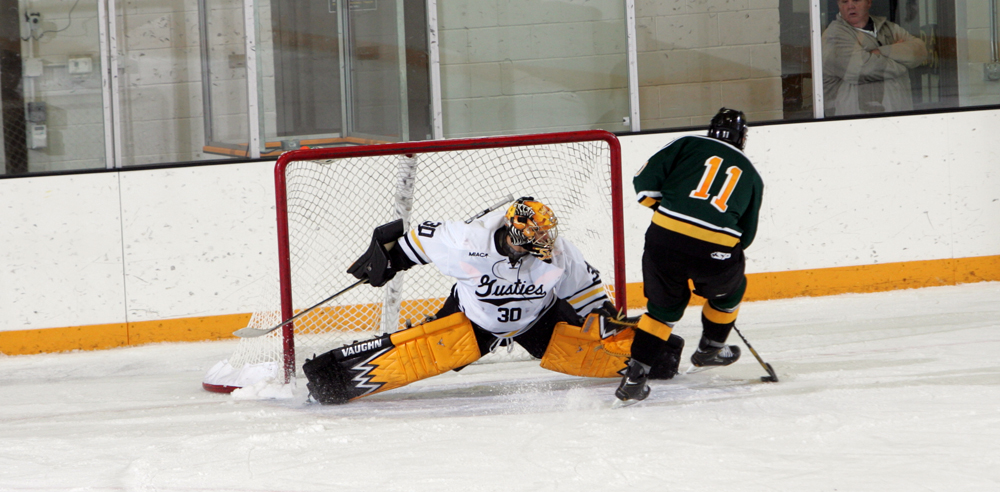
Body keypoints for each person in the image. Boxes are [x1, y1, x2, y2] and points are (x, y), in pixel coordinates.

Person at [303, 197, 684, 404]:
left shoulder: (559, 253)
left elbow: (588, 296)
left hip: (540, 318)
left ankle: (658, 355)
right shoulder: (466, 242)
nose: (548, 245)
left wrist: (604, 320)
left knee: (597, 348)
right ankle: (332, 376)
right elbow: (418, 239)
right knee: (424, 355)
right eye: (539, 238)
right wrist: (385, 259)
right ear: (517, 236)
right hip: (474, 317)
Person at [616, 108, 764, 405]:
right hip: (715, 250)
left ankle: (634, 377)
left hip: (664, 239)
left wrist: (671, 216)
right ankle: (711, 347)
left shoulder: (687, 143)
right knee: (731, 290)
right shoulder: (752, 175)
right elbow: (745, 237)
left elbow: (642, 186)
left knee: (661, 311)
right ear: (742, 137)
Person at [822, 0, 927, 116]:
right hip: (856, 123)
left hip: (899, 117)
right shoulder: (833, 35)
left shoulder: (887, 27)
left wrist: (878, 52)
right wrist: (903, 61)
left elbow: (920, 51)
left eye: (856, 0)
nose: (850, 6)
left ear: (869, 2)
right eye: (844, 2)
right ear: (838, 5)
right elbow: (863, 69)